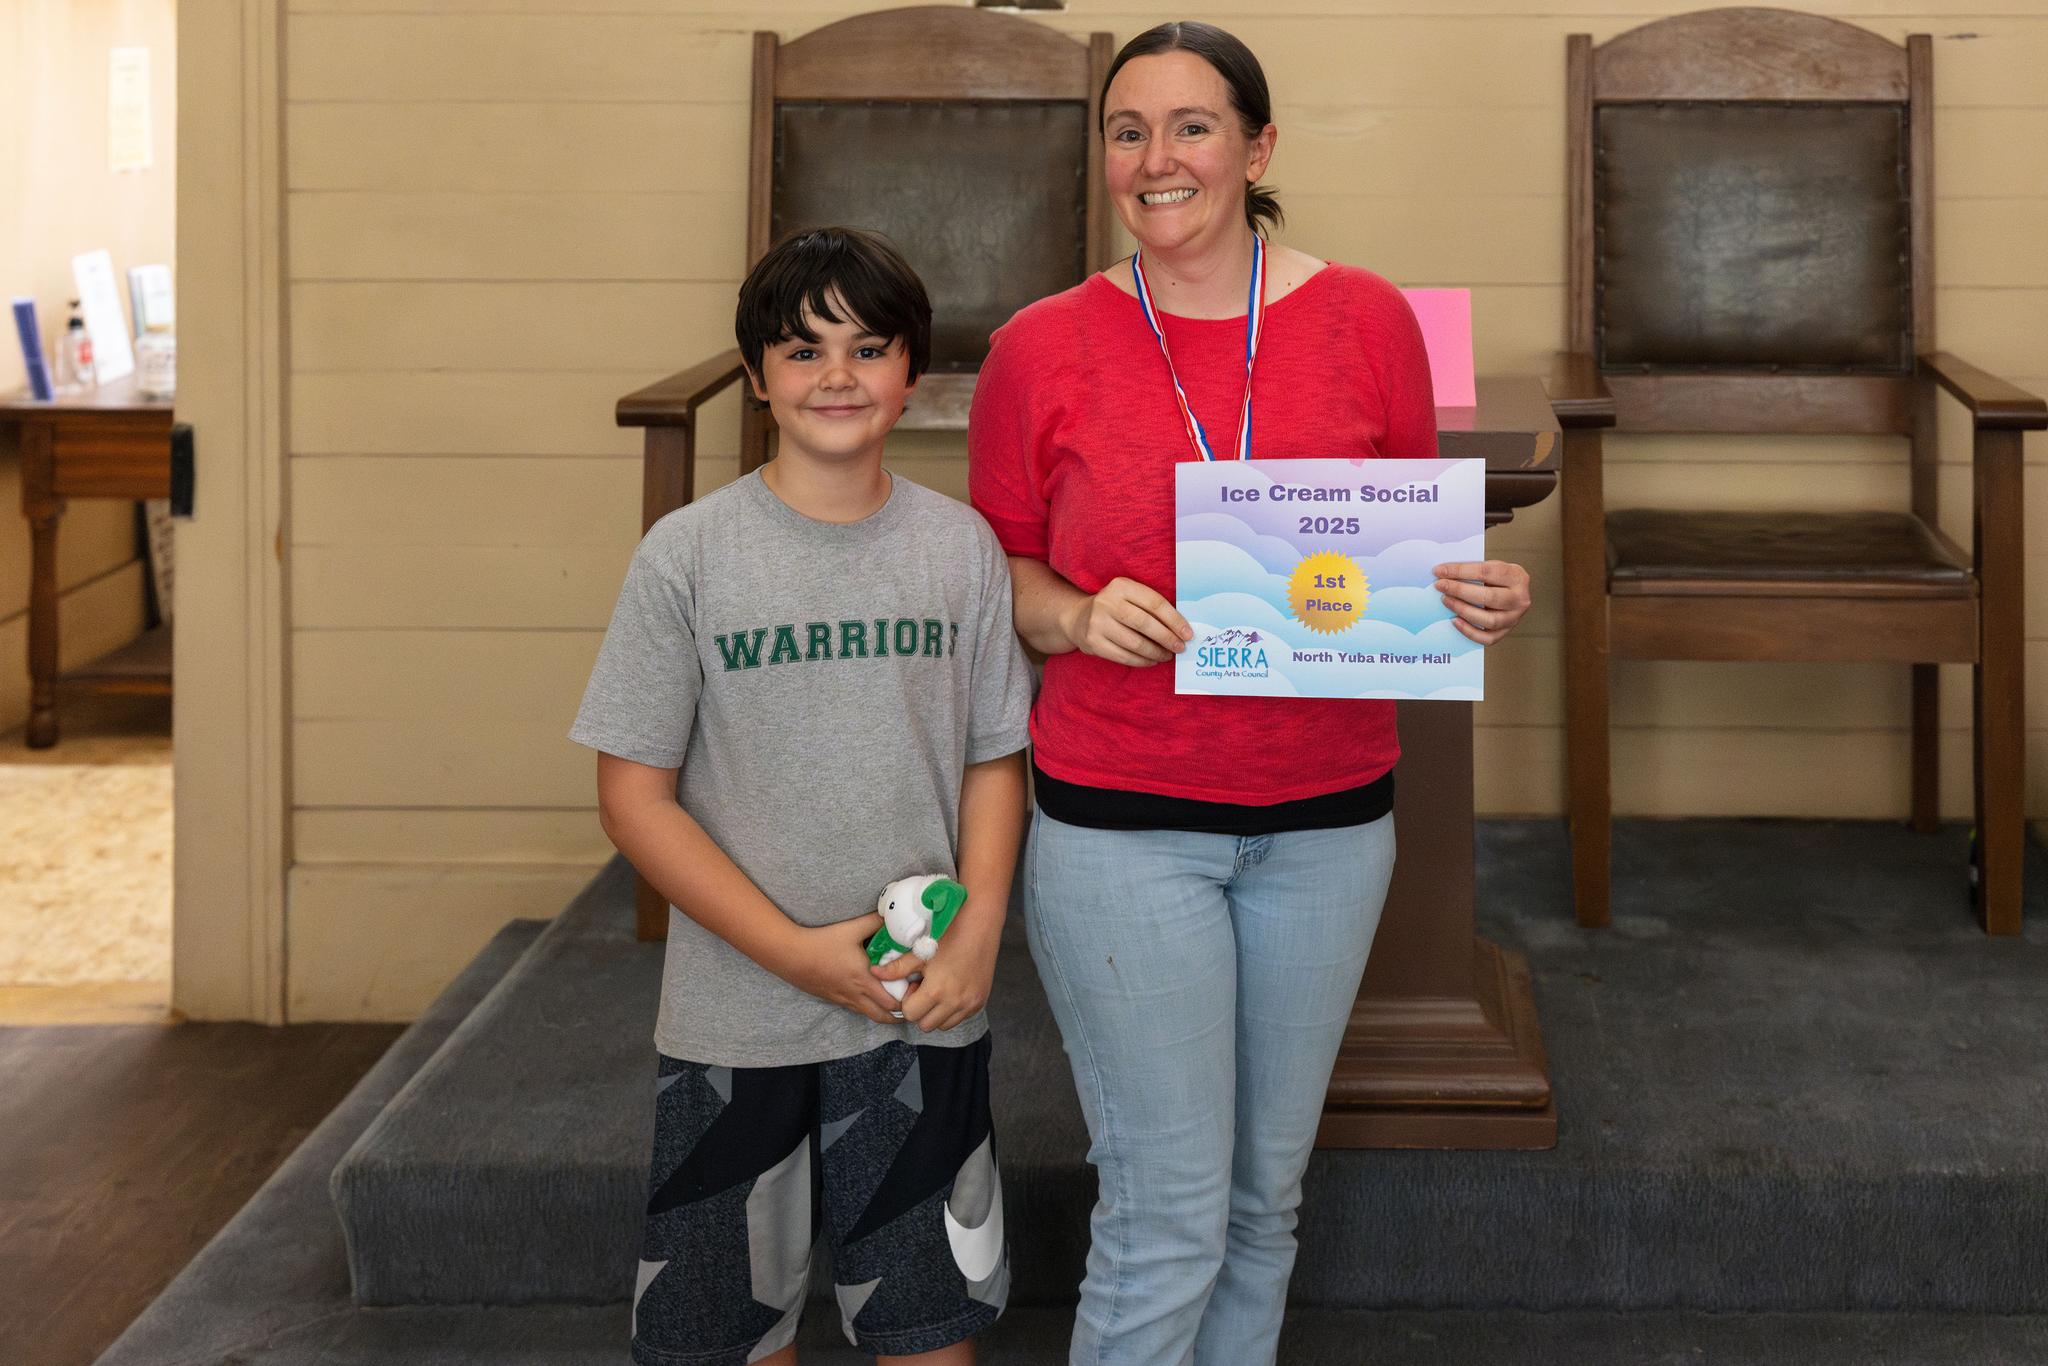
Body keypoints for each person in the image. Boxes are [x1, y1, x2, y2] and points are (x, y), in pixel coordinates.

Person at [967, 22, 1533, 1366]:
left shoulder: (1370, 318)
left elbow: (1414, 540)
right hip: (1120, 821)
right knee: (1166, 1213)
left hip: (1330, 821)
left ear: (1258, 147)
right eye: (1128, 130)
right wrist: (1071, 612)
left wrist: (1477, 589)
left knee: (1261, 1204)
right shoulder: (1040, 346)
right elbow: (992, 565)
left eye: (1193, 127)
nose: (1157, 160)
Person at [574, 226, 1034, 1366]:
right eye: (801, 349)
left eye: (867, 347)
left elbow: (992, 758)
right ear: (755, 376)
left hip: (918, 1005)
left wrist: (975, 928)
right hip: (737, 1017)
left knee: (927, 1325)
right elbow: (634, 798)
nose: (836, 375)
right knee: (724, 1334)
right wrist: (792, 950)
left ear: (909, 372)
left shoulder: (961, 550)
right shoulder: (685, 557)